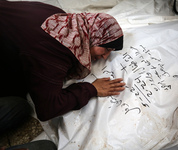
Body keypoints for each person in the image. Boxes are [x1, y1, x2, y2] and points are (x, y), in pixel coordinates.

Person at [0, 0, 124, 130]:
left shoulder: (59, 16)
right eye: (106, 49)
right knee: (18, 106)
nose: (105, 57)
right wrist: (91, 89)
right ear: (94, 37)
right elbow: (47, 108)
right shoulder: (55, 52)